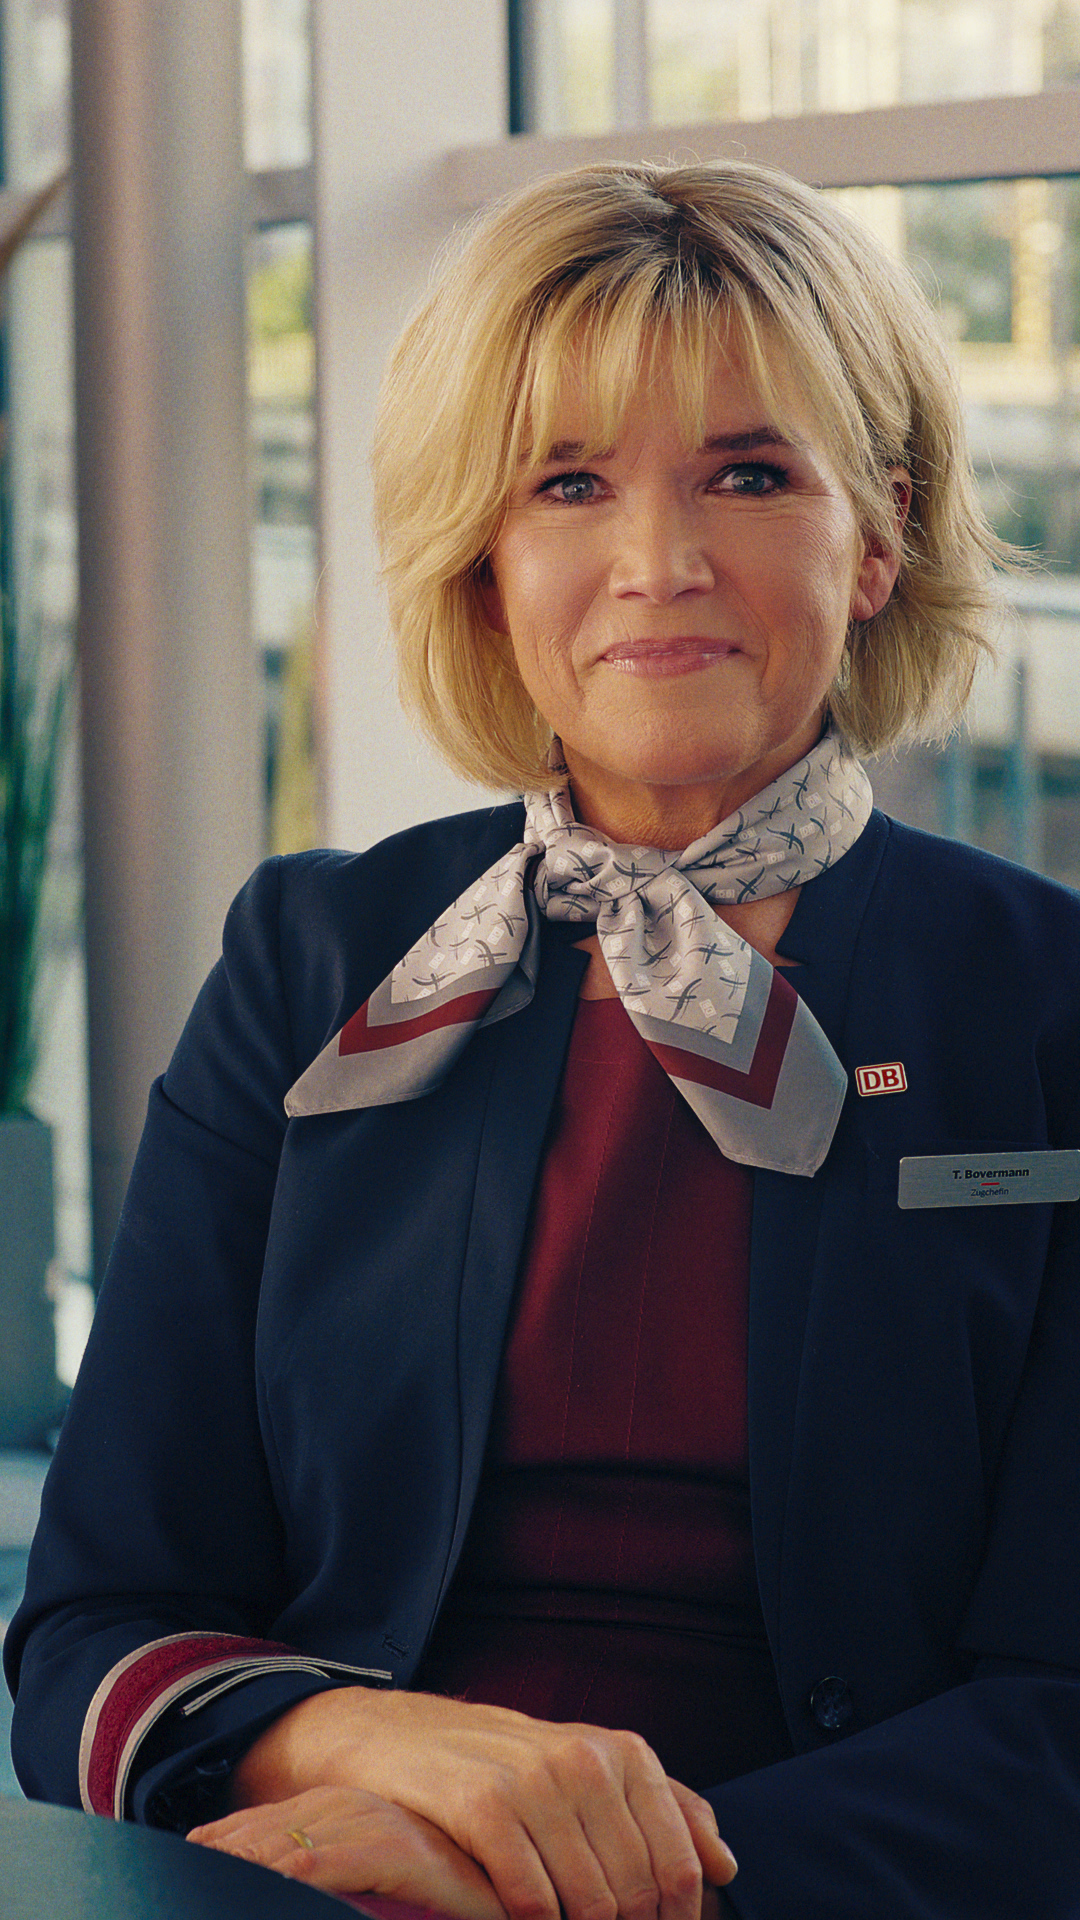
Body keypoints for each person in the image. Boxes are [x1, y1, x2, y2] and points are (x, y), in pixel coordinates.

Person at [6, 159, 1080, 1920]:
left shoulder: (1048, 1004)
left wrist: (572, 1879)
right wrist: (384, 1754)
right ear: (488, 562)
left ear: (879, 534)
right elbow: (93, 1633)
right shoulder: (309, 958)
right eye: (568, 484)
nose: (659, 564)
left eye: (749, 473)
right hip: (334, 1876)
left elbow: (1060, 1714)